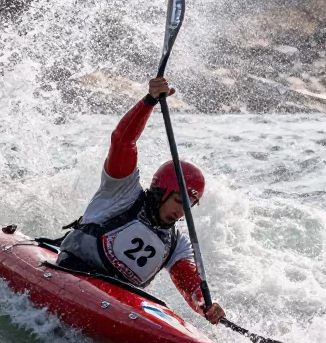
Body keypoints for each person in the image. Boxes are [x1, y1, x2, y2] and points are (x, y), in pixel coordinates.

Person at [57, 77, 226, 325]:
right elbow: (122, 141)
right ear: (161, 190)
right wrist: (149, 102)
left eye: (190, 207)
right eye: (179, 200)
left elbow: (190, 283)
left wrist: (205, 305)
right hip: (73, 270)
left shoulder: (176, 244)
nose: (182, 212)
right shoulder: (121, 191)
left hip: (117, 300)